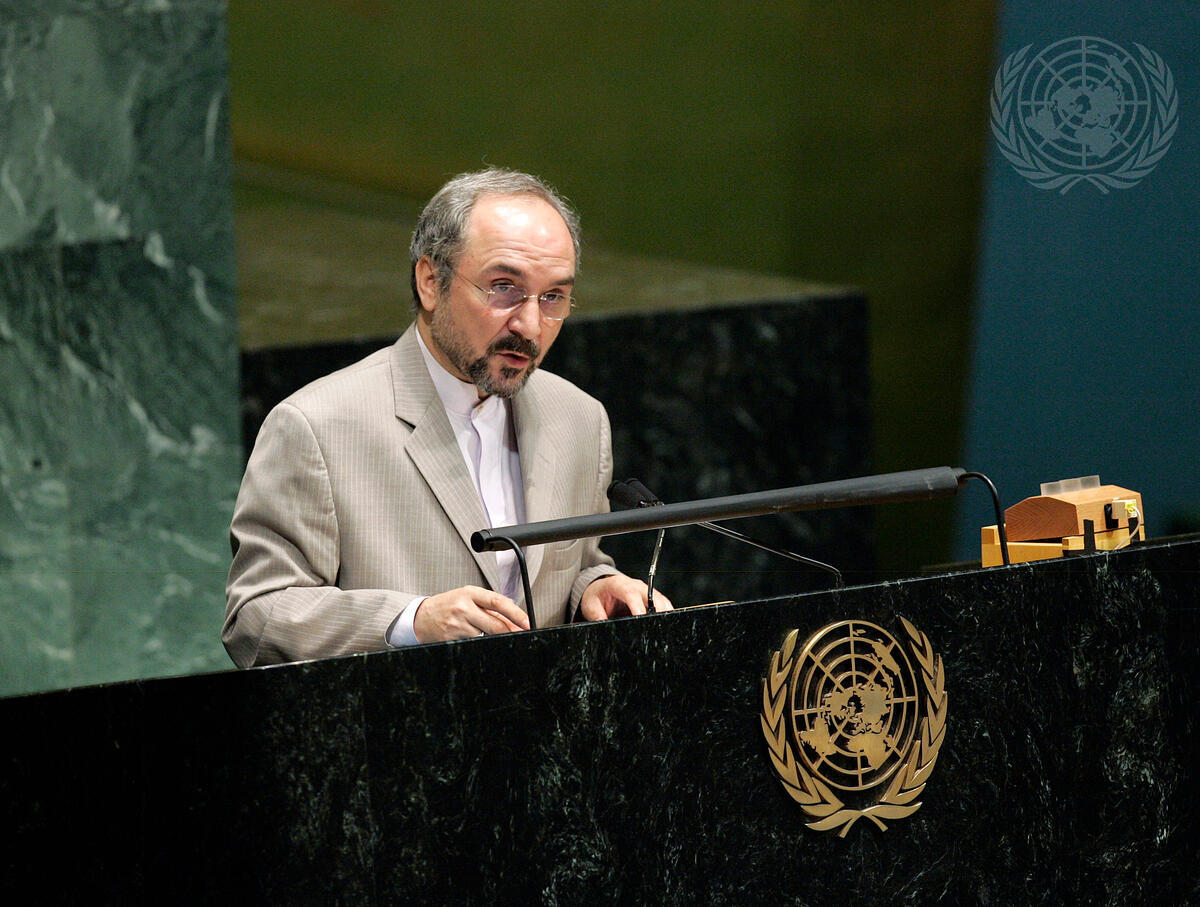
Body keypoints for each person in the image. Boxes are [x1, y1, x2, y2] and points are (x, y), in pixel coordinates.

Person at [223, 168, 669, 668]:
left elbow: (576, 566)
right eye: (504, 287)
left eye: (553, 298)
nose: (529, 325)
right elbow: (256, 619)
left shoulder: (579, 418)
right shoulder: (317, 426)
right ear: (431, 282)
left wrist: (598, 586)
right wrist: (412, 622)